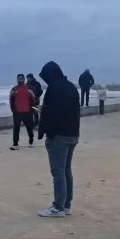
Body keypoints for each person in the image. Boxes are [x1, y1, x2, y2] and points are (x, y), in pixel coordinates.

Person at [37, 61, 80, 218]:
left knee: (58, 172)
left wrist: (45, 131)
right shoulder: (71, 87)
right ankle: (66, 205)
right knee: (66, 170)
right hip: (73, 134)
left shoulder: (54, 89)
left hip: (58, 136)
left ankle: (58, 207)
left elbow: (51, 114)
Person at [9, 74, 36, 150]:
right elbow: (11, 99)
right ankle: (15, 144)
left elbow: (33, 99)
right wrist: (13, 110)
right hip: (17, 112)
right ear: (17, 80)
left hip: (27, 112)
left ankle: (31, 140)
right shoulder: (14, 89)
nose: (20, 80)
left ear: (24, 80)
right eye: (18, 79)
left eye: (21, 79)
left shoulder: (29, 89)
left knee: (29, 128)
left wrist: (32, 109)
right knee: (16, 128)